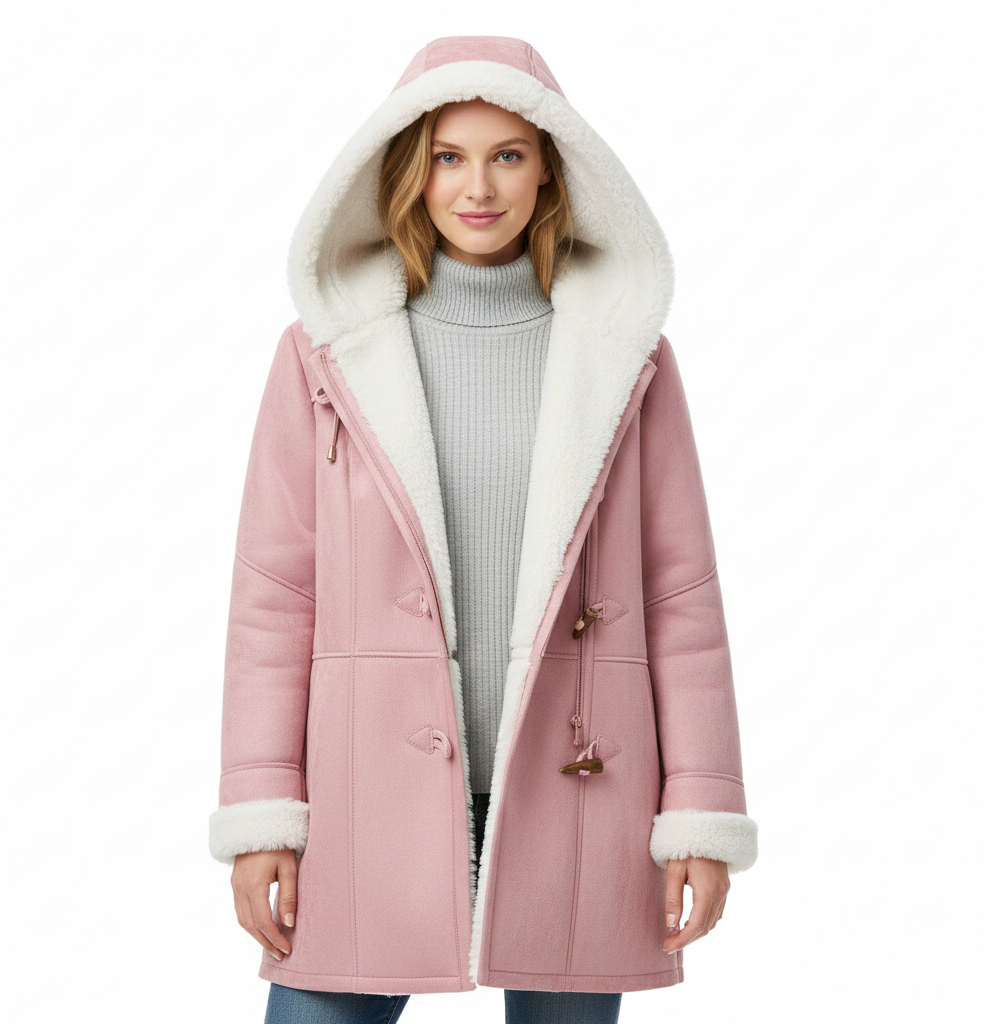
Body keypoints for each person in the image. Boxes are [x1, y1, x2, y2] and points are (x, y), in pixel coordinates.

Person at [208, 35, 758, 1024]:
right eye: (448, 156)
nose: (478, 186)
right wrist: (261, 812)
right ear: (407, 170)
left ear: (549, 165)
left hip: (580, 780)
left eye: (507, 154)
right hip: (363, 787)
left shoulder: (623, 354)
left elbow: (680, 594)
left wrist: (701, 811)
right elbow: (275, 595)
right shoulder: (324, 352)